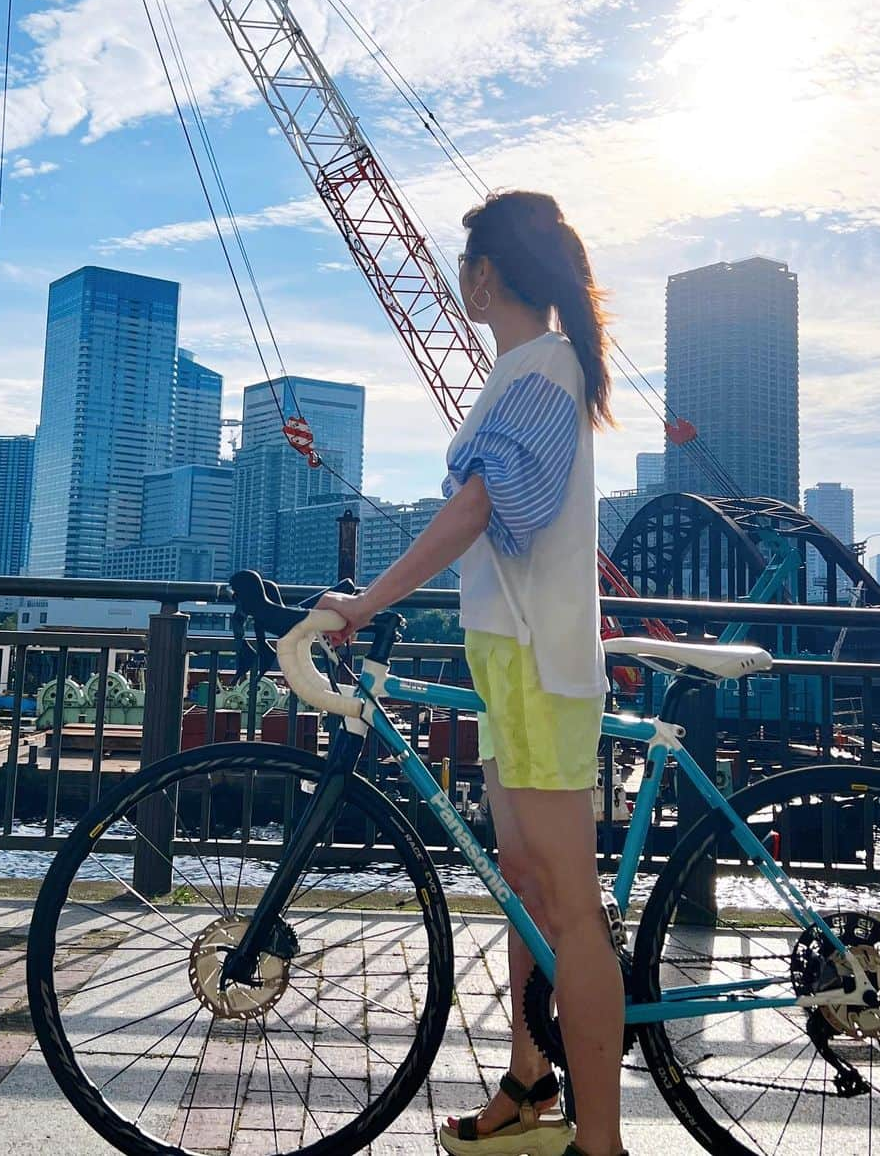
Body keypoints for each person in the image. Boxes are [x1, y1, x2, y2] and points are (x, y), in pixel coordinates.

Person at [317, 190, 626, 1156]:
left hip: (536, 661)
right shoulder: (532, 370)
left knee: (569, 908)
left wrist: (368, 601)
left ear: (485, 276)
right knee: (530, 890)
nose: (458, 283)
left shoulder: (542, 371)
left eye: (464, 268)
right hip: (512, 657)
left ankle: (602, 1145)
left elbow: (480, 510)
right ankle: (531, 1085)